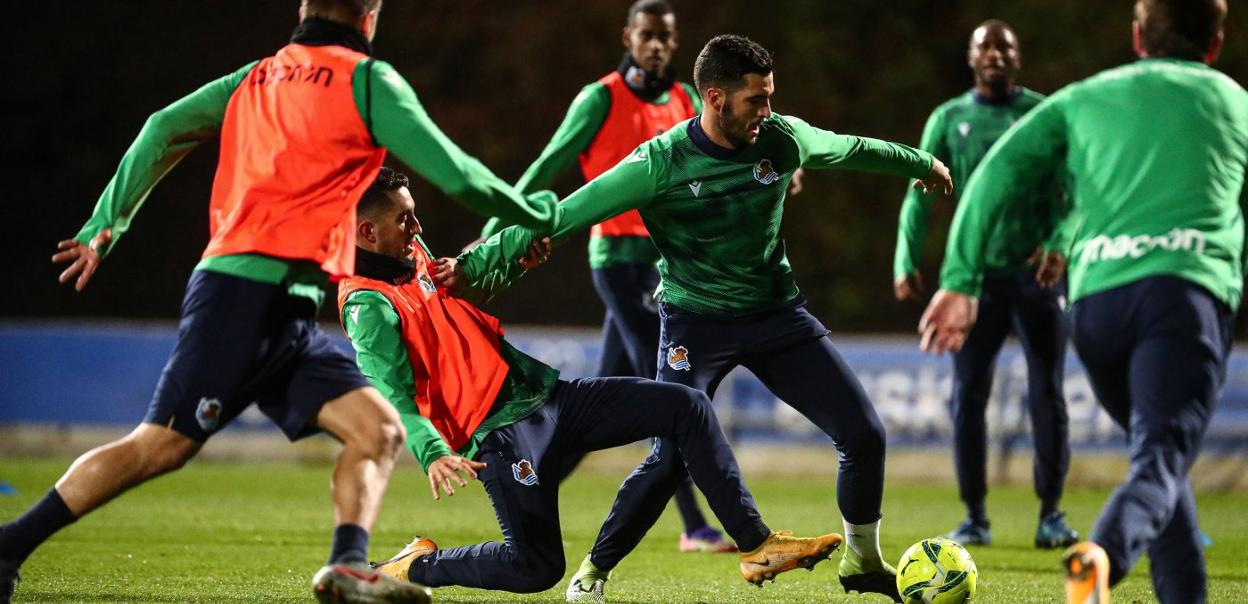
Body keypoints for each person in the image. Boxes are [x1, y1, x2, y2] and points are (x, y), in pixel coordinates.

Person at [0, 0, 560, 602]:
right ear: (369, 16)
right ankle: (10, 545)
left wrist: (106, 222)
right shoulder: (365, 81)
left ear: (304, 8)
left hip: (283, 306)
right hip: (243, 298)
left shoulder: (257, 76)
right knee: (158, 447)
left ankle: (348, 568)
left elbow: (162, 126)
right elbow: (459, 175)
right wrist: (538, 212)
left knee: (377, 431)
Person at [470, 35, 953, 602]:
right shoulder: (659, 163)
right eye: (756, 100)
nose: (767, 112)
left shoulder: (782, 139)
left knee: (864, 433)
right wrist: (484, 259)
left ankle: (863, 561)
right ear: (716, 98)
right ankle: (592, 574)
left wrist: (921, 162)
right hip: (694, 324)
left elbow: (849, 147)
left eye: (771, 98)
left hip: (777, 316)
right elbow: (568, 213)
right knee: (672, 455)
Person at [339, 167, 843, 598]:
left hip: (550, 399)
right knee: (536, 569)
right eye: (404, 219)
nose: (417, 226)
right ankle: (414, 567)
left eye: (413, 214)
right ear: (366, 232)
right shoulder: (366, 305)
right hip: (501, 435)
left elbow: (463, 297)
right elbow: (389, 390)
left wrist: (521, 249)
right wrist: (431, 451)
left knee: (686, 406)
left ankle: (757, 546)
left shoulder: (413, 256)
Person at [917, 1, 1244, 602]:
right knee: (1161, 461)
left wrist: (960, 277)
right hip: (1181, 298)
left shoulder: (1083, 97)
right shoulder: (1233, 101)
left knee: (1160, 469)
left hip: (1097, 310)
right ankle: (1102, 556)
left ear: (1139, 36)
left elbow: (994, 173)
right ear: (1216, 42)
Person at [479, 0, 749, 557]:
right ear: (627, 37)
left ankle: (530, 476)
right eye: (647, 35)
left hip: (663, 263)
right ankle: (696, 525)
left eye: (666, 38)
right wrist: (493, 231)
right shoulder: (599, 97)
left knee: (602, 398)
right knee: (672, 393)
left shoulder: (681, 100)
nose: (657, 45)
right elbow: (546, 167)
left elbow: (713, 158)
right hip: (617, 266)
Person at [893, 20, 1077, 549]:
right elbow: (917, 192)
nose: (995, 54)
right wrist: (905, 256)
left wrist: (1061, 242)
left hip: (1037, 275)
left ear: (1018, 58)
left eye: (1005, 46)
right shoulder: (949, 119)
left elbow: (1076, 190)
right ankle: (974, 516)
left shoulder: (1045, 114)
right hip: (974, 282)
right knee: (968, 395)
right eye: (984, 46)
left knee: (1048, 390)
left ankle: (1051, 515)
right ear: (971, 59)